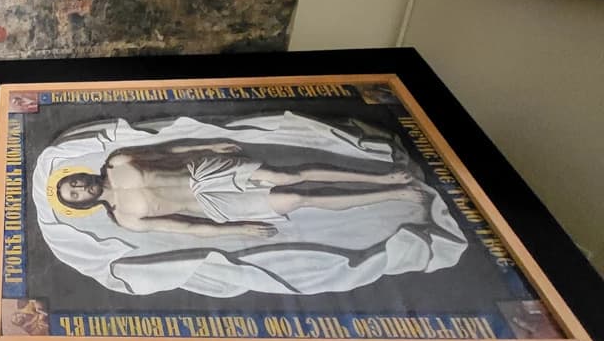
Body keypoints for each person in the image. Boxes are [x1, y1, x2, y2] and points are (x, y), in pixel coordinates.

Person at [55, 139, 423, 239]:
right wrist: (238, 229)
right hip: (214, 206)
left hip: (207, 173)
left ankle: (383, 179)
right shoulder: (125, 219)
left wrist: (211, 146)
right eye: (75, 194)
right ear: (83, 204)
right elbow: (188, 228)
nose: (79, 187)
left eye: (74, 182)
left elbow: (169, 152)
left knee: (289, 176)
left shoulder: (117, 161)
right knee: (297, 198)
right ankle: (392, 195)